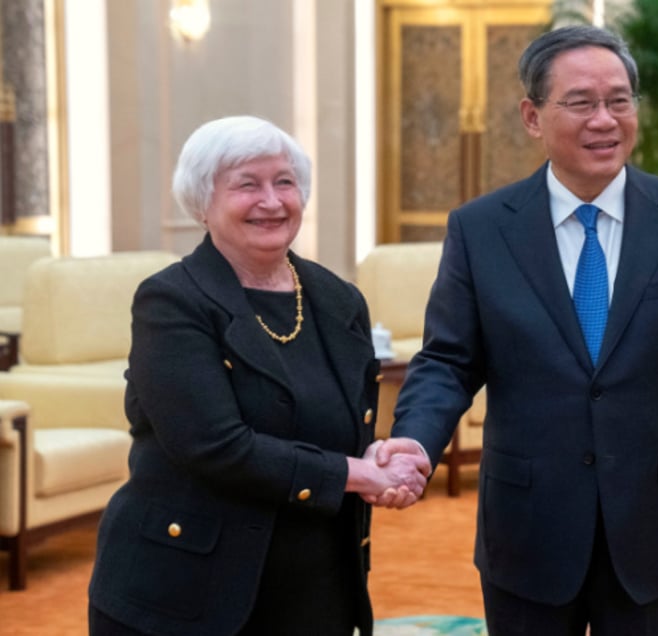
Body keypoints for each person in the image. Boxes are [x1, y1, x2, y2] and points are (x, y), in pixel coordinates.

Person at [372, 25, 658, 635]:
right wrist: (416, 443)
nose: (604, 119)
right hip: (528, 529)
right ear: (532, 116)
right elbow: (448, 360)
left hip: (657, 528)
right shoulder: (481, 228)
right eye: (580, 102)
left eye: (619, 100)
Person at [88, 115, 430, 636]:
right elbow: (213, 445)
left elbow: (346, 426)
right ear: (203, 203)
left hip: (316, 590)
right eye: (247, 184)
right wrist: (359, 476)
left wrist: (381, 455)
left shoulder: (339, 300)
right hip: (185, 595)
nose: (271, 201)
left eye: (285, 182)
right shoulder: (172, 301)